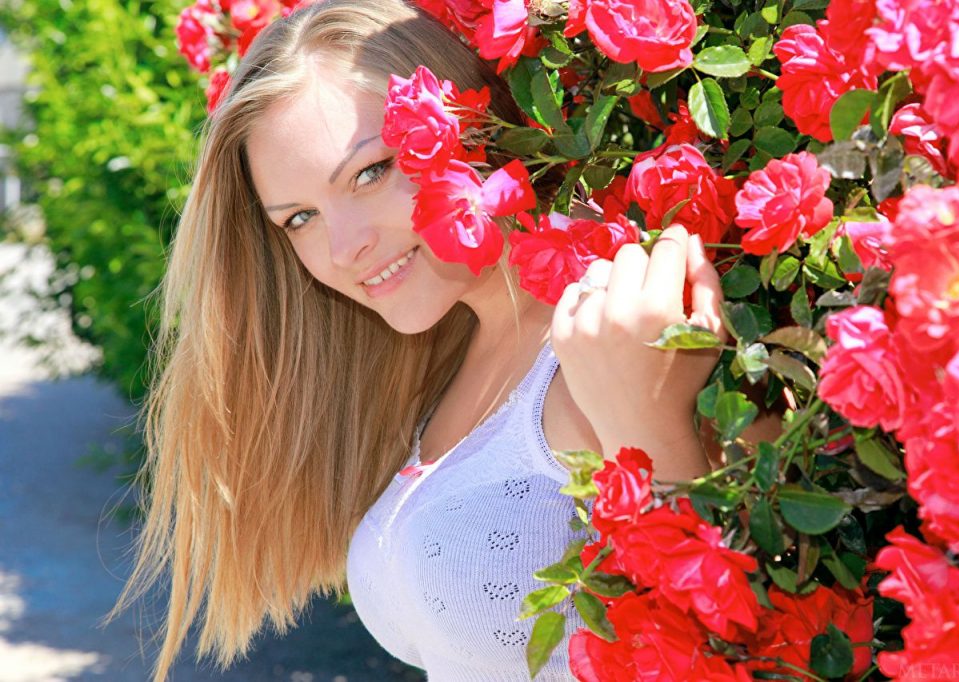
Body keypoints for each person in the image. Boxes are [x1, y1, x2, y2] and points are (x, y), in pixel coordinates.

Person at [106, 0, 781, 679]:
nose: (342, 248)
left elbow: (755, 635)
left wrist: (653, 424)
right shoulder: (443, 371)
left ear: (463, 125)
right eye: (300, 218)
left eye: (370, 173)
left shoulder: (614, 334)